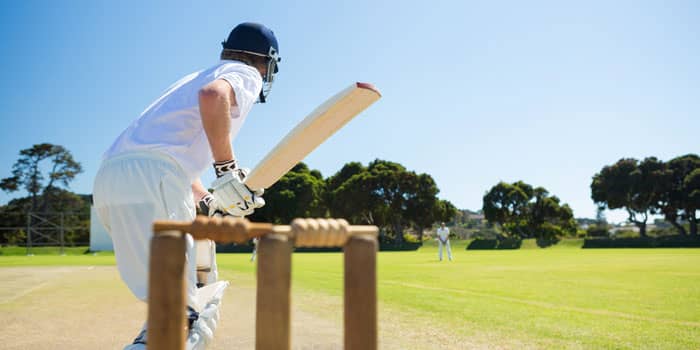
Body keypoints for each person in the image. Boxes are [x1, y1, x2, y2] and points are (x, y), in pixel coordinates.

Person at [92, 22, 281, 349]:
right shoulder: (243, 72)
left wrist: (205, 197)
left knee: (167, 300)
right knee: (183, 313)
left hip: (111, 180)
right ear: (265, 60)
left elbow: (167, 150)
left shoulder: (194, 77)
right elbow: (213, 97)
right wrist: (226, 170)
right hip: (155, 178)